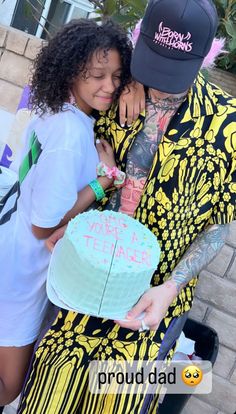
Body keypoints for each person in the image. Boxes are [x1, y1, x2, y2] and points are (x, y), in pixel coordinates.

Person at [18, 0, 236, 413]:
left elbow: (219, 223)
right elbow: (51, 110)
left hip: (151, 303)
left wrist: (170, 289)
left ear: (205, 57)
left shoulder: (229, 127)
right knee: (49, 391)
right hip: (86, 281)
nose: (158, 83)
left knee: (116, 400)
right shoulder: (115, 86)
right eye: (153, 64)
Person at [0, 18, 134, 406]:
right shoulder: (72, 136)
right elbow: (44, 226)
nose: (109, 86)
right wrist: (103, 183)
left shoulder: (54, 109)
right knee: (10, 386)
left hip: (10, 244)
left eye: (117, 76)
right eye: (97, 75)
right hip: (23, 268)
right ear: (73, 69)